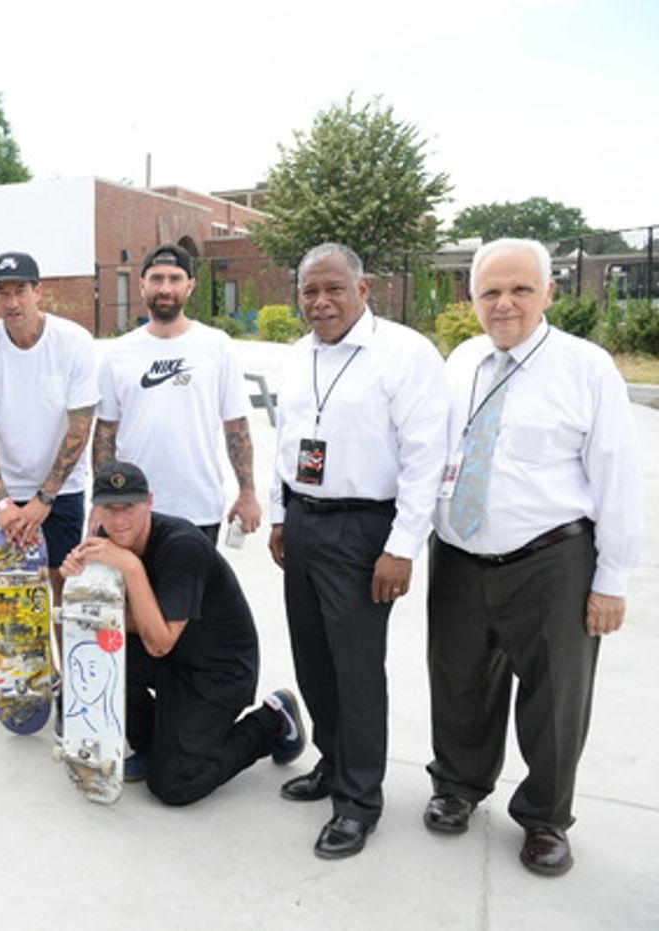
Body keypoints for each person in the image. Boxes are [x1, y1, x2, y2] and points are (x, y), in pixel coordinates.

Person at [424, 238, 643, 876]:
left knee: (556, 697)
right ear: (472, 298)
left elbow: (617, 475)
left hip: (552, 561)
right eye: (490, 291)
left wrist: (611, 579)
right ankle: (458, 787)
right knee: (458, 680)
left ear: (550, 293)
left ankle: (545, 817)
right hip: (460, 556)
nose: (505, 304)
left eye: (521, 289)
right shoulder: (461, 360)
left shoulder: (586, 367)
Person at [267, 242, 448, 859]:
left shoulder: (404, 354)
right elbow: (286, 443)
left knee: (357, 671)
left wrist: (402, 548)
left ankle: (359, 802)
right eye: (308, 292)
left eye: (332, 289)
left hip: (365, 531)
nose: (319, 302)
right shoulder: (297, 357)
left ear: (362, 289)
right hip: (305, 521)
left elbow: (427, 459)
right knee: (313, 658)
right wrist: (278, 516)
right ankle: (332, 761)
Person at [60, 460, 304, 804]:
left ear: (150, 502)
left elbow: (159, 642)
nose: (119, 521)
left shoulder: (181, 546)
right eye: (108, 509)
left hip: (218, 670)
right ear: (96, 510)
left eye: (128, 507)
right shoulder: (106, 541)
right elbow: (111, 621)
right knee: (95, 654)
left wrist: (130, 567)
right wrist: (80, 580)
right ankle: (151, 745)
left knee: (174, 785)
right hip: (173, 657)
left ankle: (273, 721)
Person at [93, 244, 260, 543]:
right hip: (130, 509)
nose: (165, 288)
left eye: (175, 279)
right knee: (133, 590)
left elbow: (236, 427)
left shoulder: (216, 346)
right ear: (142, 285)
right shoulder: (117, 354)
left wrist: (247, 492)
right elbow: (105, 434)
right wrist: (102, 500)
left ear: (190, 286)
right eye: (156, 279)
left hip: (198, 508)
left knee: (191, 591)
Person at [0, 251, 99, 601]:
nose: (12, 301)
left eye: (20, 290)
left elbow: (80, 428)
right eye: (2, 292)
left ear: (38, 291)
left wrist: (45, 498)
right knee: (19, 596)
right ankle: (31, 661)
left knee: (64, 588)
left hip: (62, 489)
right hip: (9, 492)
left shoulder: (74, 342)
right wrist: (2, 502)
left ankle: (69, 659)